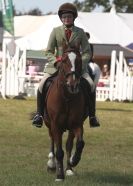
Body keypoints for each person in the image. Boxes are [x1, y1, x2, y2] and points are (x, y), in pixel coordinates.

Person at [32, 3, 100, 128]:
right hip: (56, 66)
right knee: (41, 85)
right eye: (64, 17)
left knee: (90, 84)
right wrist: (56, 61)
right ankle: (39, 115)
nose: (66, 19)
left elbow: (87, 52)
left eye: (69, 16)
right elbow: (48, 51)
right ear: (61, 18)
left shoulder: (80, 33)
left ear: (73, 18)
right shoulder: (55, 31)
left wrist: (79, 63)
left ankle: (92, 116)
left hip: (76, 67)